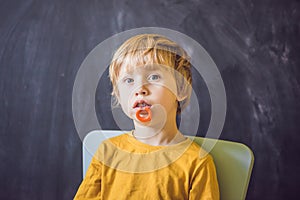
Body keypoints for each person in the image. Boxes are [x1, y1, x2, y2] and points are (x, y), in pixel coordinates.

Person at [74, 34, 219, 199]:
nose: (140, 88)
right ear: (119, 97)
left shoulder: (197, 162)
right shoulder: (107, 152)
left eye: (154, 77)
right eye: (129, 80)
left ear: (181, 89)